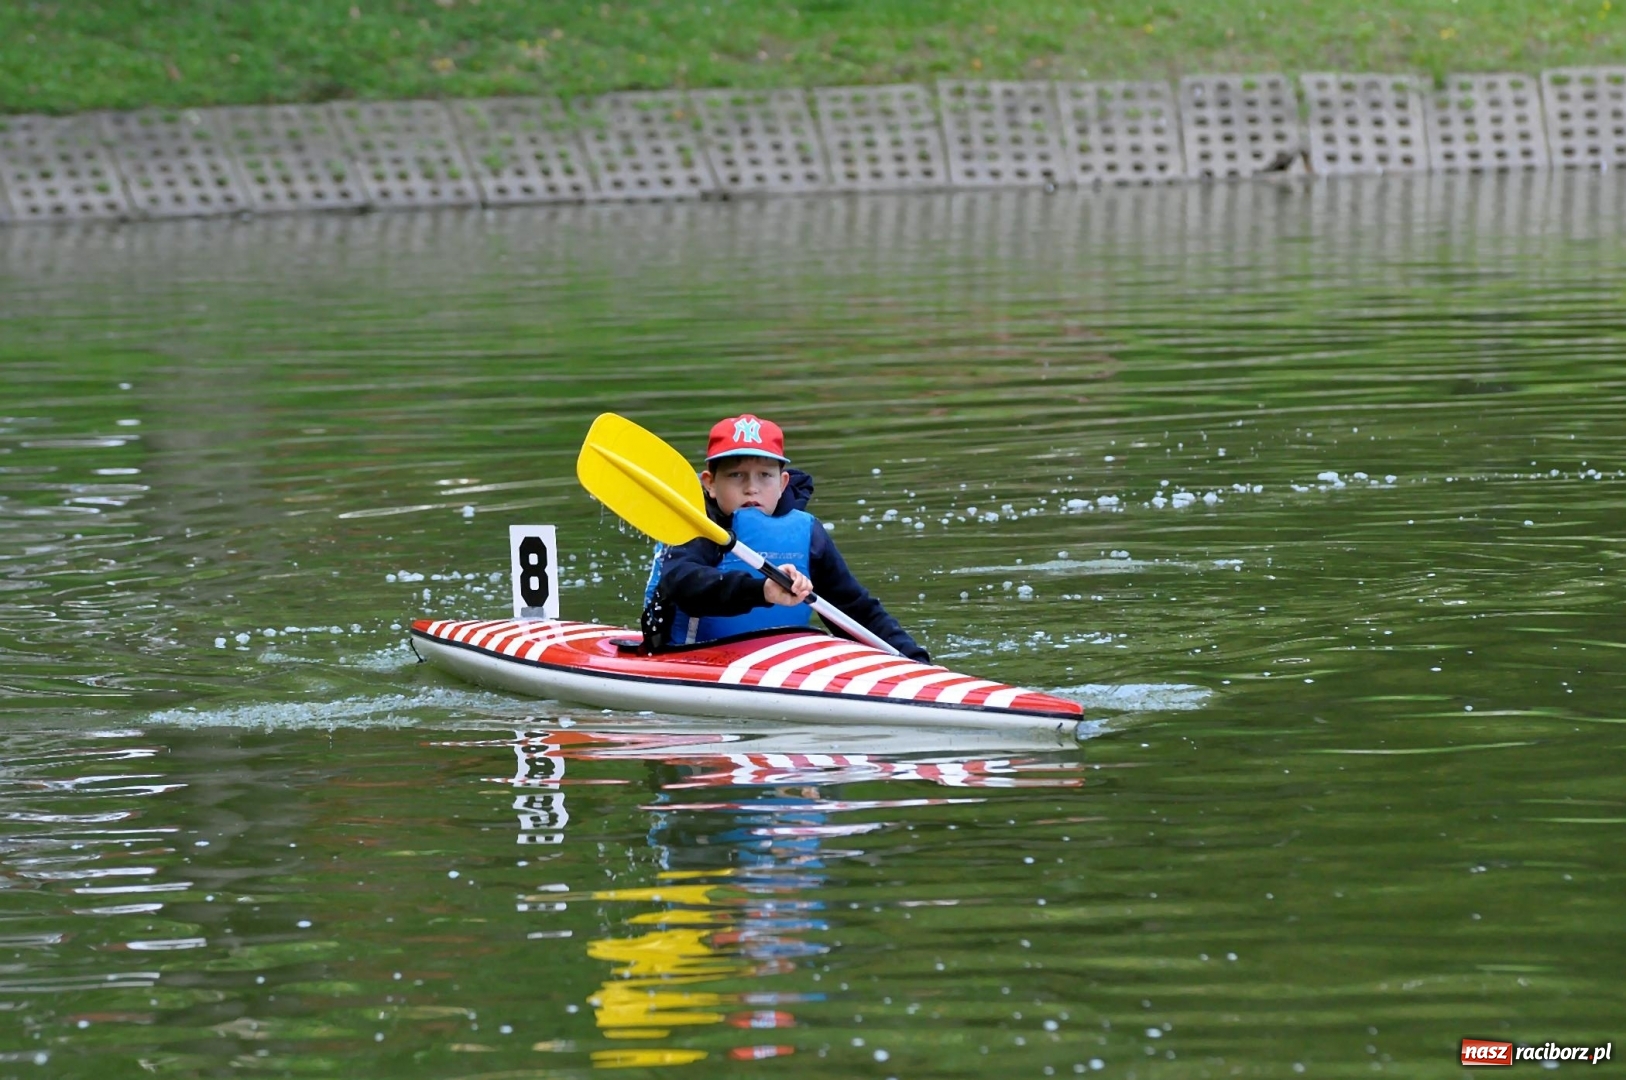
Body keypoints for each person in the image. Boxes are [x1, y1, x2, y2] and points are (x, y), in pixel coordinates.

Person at [641, 413, 929, 661]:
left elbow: (854, 609)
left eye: (764, 475)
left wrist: (915, 661)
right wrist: (761, 590)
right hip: (692, 658)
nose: (751, 488)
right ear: (710, 484)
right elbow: (683, 584)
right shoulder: (693, 528)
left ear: (782, 483)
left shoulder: (808, 534)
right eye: (736, 475)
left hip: (776, 663)